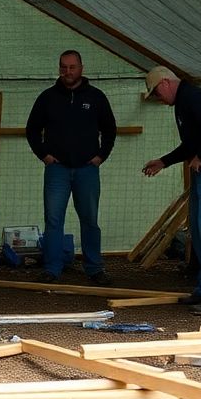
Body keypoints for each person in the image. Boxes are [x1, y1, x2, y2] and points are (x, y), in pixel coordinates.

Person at [141, 66, 201, 315]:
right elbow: (191, 143)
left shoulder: (192, 97)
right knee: (197, 227)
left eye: (156, 93)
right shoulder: (184, 101)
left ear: (165, 83)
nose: (159, 100)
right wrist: (164, 161)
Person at [25, 50, 118, 285]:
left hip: (87, 168)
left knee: (89, 219)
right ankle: (52, 269)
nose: (68, 72)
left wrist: (100, 156)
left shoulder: (96, 97)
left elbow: (109, 129)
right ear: (59, 68)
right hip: (57, 168)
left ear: (81, 68)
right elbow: (32, 129)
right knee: (54, 220)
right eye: (64, 67)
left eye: (72, 67)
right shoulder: (47, 97)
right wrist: (44, 155)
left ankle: (94, 269)